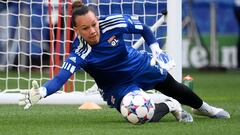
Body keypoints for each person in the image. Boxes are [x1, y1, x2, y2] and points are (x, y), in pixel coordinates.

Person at [19, 1, 230, 123]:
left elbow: (144, 30)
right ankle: (169, 105)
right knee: (137, 117)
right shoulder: (80, 51)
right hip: (116, 86)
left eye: (94, 24)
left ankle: (205, 108)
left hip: (136, 64)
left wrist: (156, 50)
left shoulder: (113, 22)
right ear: (77, 30)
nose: (92, 31)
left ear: (98, 19)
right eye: (85, 28)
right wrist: (43, 92)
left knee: (172, 85)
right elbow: (61, 78)